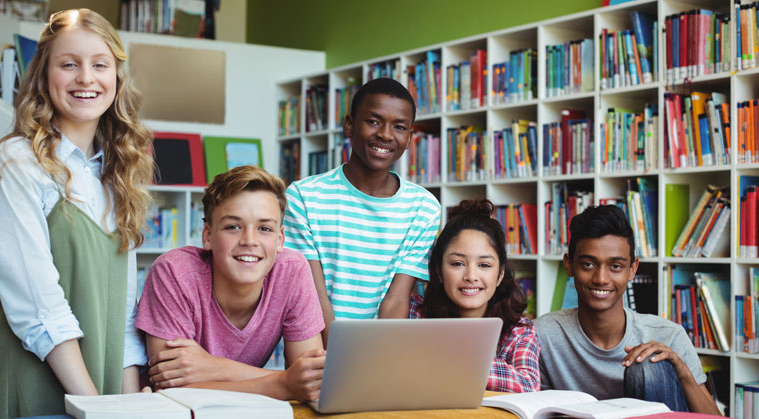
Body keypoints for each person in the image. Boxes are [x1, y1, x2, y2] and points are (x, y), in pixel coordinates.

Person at [0, 9, 153, 417]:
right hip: (27, 392)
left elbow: (122, 315)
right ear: (44, 78)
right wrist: (94, 406)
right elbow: (39, 308)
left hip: (94, 395)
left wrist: (131, 405)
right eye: (69, 64)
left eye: (100, 65)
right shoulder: (15, 162)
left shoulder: (118, 175)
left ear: (116, 79)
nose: (86, 77)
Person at [136, 166, 326, 402]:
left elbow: (311, 381)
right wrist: (283, 383)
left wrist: (216, 368)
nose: (249, 241)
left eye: (264, 228)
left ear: (280, 240)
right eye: (233, 227)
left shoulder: (292, 270)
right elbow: (171, 388)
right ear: (207, 236)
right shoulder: (174, 271)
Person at [284, 78, 441, 344]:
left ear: (410, 139)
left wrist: (370, 361)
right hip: (315, 349)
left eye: (399, 127)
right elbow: (312, 294)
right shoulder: (303, 196)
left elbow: (397, 299)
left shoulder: (424, 207)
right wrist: (342, 356)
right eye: (373, 121)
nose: (386, 135)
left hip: (382, 351)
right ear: (349, 125)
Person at [535, 205, 720, 414]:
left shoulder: (668, 335)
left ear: (632, 269)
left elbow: (714, 418)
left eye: (615, 267)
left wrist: (683, 373)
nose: (601, 279)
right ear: (569, 265)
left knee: (648, 365)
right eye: (588, 264)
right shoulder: (543, 335)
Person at [409, 199, 540, 393]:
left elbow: (528, 384)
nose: (471, 276)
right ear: (439, 271)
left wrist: (446, 358)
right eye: (457, 264)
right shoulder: (414, 314)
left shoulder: (519, 331)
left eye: (484, 265)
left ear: (500, 274)